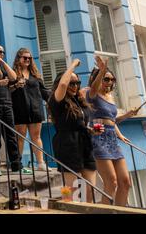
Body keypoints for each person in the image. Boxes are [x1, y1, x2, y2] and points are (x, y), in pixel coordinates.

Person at [48, 59, 104, 202]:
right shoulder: (57, 100)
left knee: (90, 189)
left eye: (77, 83)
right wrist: (72, 65)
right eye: (71, 83)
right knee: (71, 189)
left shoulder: (79, 100)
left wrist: (91, 130)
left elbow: (79, 124)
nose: (74, 86)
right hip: (67, 144)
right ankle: (67, 210)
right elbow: (62, 84)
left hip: (84, 143)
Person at [87, 55, 139, 206]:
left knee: (126, 182)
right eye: (106, 79)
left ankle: (121, 210)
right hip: (99, 138)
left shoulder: (110, 97)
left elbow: (112, 121)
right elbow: (95, 88)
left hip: (112, 139)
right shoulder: (93, 93)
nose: (109, 83)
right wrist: (102, 70)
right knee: (112, 183)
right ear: (99, 79)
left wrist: (127, 116)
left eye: (112, 80)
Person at [11, 48, 51, 171]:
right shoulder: (13, 74)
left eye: (29, 58)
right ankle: (18, 164)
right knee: (20, 137)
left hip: (35, 109)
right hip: (20, 109)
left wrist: (56, 99)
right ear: (19, 59)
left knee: (36, 137)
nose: (27, 60)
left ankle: (40, 163)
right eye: (25, 57)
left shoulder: (35, 75)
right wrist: (16, 85)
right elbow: (8, 90)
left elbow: (45, 92)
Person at [0, 44, 22, 176]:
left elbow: (13, 78)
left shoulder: (3, 65)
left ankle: (17, 165)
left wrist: (3, 62)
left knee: (11, 135)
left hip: (7, 103)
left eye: (3, 52)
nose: (2, 54)